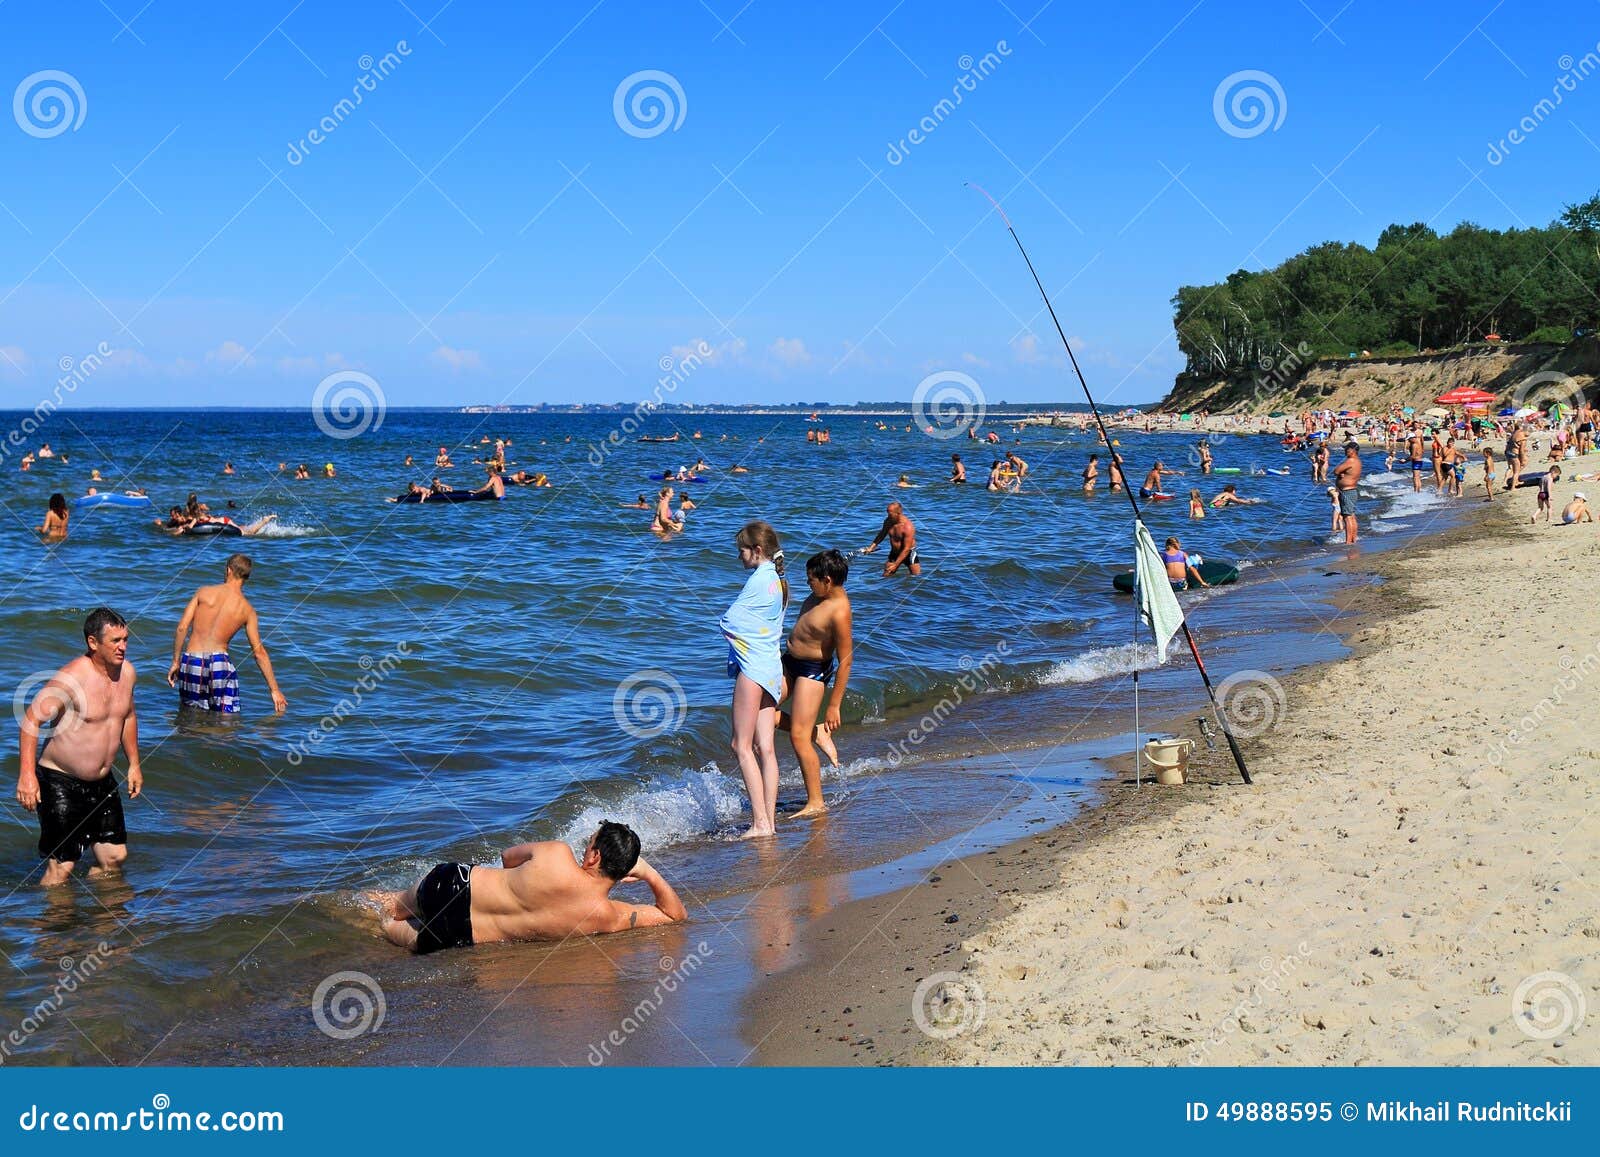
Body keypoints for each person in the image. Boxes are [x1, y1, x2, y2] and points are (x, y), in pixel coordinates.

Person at [378, 821, 686, 953]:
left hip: (452, 885)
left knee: (387, 905)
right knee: (381, 927)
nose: (583, 849)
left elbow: (507, 858)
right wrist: (649, 873)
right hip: (458, 935)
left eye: (589, 844)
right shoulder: (607, 917)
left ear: (594, 855)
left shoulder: (556, 853)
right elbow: (675, 916)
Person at [16, 608, 142, 887]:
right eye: (115, 641)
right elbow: (31, 720)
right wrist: (27, 775)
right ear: (93, 643)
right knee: (63, 867)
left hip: (102, 782)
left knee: (114, 858)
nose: (123, 647)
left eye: (125, 639)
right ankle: (51, 926)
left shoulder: (128, 673)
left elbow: (128, 716)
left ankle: (99, 924)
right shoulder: (72, 678)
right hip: (60, 780)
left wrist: (134, 763)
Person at [720, 522, 788, 838]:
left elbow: (730, 620)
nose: (739, 557)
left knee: (741, 745)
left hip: (754, 669)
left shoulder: (759, 580)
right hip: (772, 668)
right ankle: (768, 823)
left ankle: (761, 823)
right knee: (767, 749)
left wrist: (737, 645)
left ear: (757, 551)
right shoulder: (776, 580)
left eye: (742, 551)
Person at [776, 550, 854, 818]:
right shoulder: (818, 594)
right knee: (760, 713)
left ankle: (816, 802)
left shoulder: (839, 611)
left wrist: (834, 706)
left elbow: (846, 661)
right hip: (789, 662)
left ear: (828, 580)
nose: (808, 583)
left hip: (812, 671)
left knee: (798, 737)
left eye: (811, 579)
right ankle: (816, 733)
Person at [169, 554, 288, 715]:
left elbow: (182, 628)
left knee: (189, 716)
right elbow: (259, 653)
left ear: (228, 570)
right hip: (220, 662)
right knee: (226, 720)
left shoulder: (203, 592)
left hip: (192, 659)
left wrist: (176, 662)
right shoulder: (247, 610)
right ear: (246, 577)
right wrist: (274, 690)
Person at [862, 501, 920, 577]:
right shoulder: (888, 521)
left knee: (916, 578)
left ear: (898, 513)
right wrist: (871, 547)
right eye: (887, 512)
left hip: (908, 553)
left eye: (890, 513)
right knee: (885, 576)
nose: (888, 515)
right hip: (894, 553)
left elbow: (906, 549)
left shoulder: (907, 527)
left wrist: (895, 565)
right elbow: (881, 535)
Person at [1332, 441, 1362, 544]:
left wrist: (1340, 473)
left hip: (1347, 491)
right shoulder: (1357, 461)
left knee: (1347, 517)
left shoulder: (1351, 460)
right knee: (1352, 516)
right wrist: (1342, 473)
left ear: (1352, 451)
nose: (1345, 451)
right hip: (1351, 491)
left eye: (1347, 449)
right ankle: (1353, 539)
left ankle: (1348, 541)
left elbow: (1336, 470)